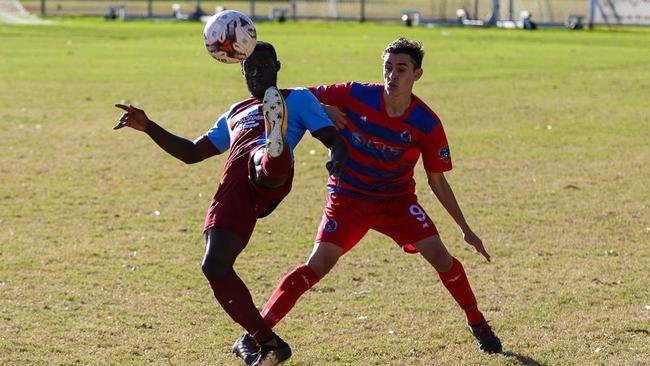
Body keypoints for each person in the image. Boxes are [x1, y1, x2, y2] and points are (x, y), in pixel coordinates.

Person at [233, 38, 502, 364]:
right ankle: (254, 336)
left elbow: (437, 180)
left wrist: (465, 228)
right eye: (388, 67)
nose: (392, 75)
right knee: (316, 265)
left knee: (441, 258)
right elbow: (290, 96)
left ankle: (477, 322)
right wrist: (321, 108)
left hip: (397, 203)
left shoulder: (427, 123)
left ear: (417, 74)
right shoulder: (354, 94)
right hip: (348, 199)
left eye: (401, 69)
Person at [113, 41, 347, 366]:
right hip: (236, 187)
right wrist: (148, 126)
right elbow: (192, 153)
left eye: (263, 67)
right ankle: (269, 343)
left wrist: (337, 158)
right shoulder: (234, 112)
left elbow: (334, 140)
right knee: (213, 265)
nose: (255, 73)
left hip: (270, 173)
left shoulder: (299, 98)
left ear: (277, 67)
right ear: (240, 69)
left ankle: (273, 148)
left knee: (260, 156)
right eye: (249, 68)